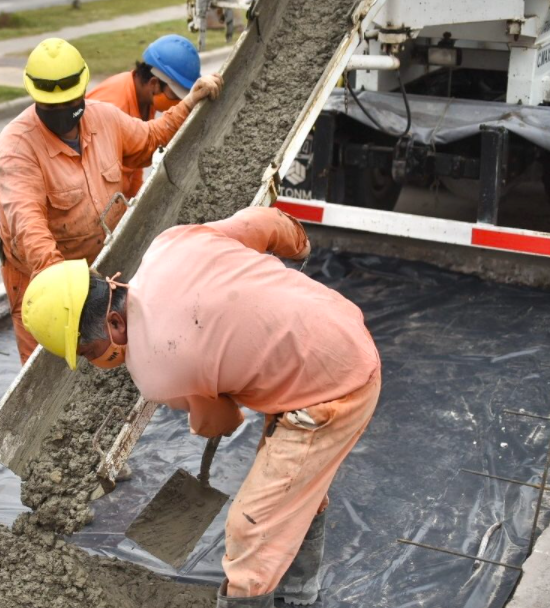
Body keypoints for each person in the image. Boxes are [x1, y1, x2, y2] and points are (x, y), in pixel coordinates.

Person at [20, 207, 382, 607]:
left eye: (90, 351)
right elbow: (262, 222)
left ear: (116, 324)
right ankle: (299, 595)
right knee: (296, 493)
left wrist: (205, 421)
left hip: (334, 389)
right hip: (333, 328)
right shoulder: (169, 246)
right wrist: (298, 252)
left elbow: (222, 418)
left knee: (251, 530)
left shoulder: (154, 368)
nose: (95, 362)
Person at [0, 37, 223, 363]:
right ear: (35, 96)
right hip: (42, 281)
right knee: (46, 361)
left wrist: (188, 104)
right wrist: (70, 295)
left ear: (82, 90)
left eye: (68, 103)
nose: (62, 112)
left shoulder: (104, 119)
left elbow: (150, 137)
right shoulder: (17, 147)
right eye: (51, 106)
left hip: (95, 261)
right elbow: (28, 226)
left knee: (104, 345)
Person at [87, 34, 201, 200]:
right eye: (175, 95)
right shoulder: (115, 106)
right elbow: (100, 184)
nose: (178, 103)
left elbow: (136, 158)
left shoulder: (146, 100)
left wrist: (135, 200)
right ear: (154, 83)